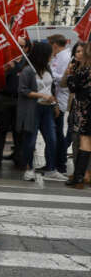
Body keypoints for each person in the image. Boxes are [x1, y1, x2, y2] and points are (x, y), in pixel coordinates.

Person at [16, 41, 58, 182]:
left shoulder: (47, 69)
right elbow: (22, 90)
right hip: (32, 110)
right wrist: (41, 95)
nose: (52, 56)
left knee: (52, 138)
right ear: (43, 55)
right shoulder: (28, 70)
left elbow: (51, 88)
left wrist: (54, 102)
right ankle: (29, 168)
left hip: (47, 109)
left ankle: (51, 168)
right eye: (49, 54)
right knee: (30, 141)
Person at [65, 42, 91, 188]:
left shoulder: (84, 70)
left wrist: (70, 74)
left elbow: (73, 87)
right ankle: (80, 177)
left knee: (85, 142)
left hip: (86, 109)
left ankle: (78, 178)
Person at [46, 34, 72, 180]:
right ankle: (53, 162)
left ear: (55, 44)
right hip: (55, 98)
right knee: (55, 133)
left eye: (50, 44)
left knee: (58, 134)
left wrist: (50, 74)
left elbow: (63, 77)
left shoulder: (64, 57)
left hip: (60, 99)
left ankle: (60, 164)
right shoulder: (57, 56)